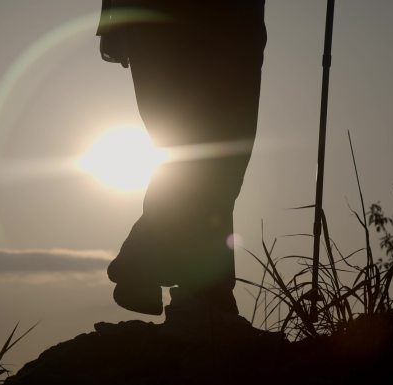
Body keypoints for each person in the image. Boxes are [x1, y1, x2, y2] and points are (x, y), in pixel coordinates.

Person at [97, 0, 267, 317]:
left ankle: (164, 270)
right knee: (200, 150)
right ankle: (203, 288)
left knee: (221, 152)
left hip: (232, 22)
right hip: (166, 18)